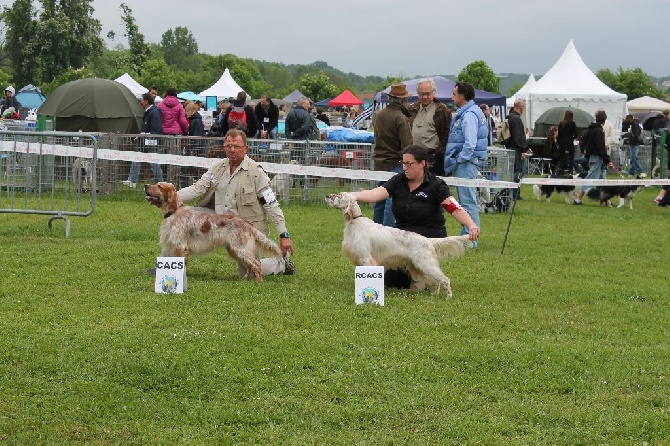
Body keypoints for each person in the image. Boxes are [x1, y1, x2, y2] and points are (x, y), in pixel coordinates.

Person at [350, 145, 479, 289]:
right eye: (403, 163)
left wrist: (471, 225)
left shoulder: (436, 185)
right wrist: (351, 196)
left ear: (422, 164)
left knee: (418, 269)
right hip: (401, 236)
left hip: (428, 233)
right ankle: (417, 272)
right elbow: (375, 194)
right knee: (392, 282)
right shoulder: (398, 180)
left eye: (409, 164)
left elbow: (454, 208)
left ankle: (426, 271)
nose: (405, 168)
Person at [174, 129, 295, 277]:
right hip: (221, 223)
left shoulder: (256, 172)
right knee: (179, 219)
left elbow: (272, 204)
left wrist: (284, 235)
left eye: (237, 146)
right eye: (228, 146)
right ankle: (168, 267)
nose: (232, 150)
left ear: (246, 148)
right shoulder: (217, 168)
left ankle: (281, 263)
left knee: (249, 273)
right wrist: (170, 197)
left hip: (248, 227)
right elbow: (197, 188)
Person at [443, 81, 487, 246]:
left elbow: (470, 143)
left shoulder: (468, 115)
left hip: (466, 163)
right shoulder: (472, 111)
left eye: (454, 94)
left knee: (468, 201)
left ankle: (471, 239)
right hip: (467, 162)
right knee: (466, 200)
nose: (452, 97)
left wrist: (460, 159)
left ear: (462, 96)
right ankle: (467, 235)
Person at [371, 83, 413, 227]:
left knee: (379, 198)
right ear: (403, 100)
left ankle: (376, 229)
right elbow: (407, 146)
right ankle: (388, 231)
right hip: (395, 164)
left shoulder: (378, 115)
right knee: (392, 199)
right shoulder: (401, 118)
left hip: (379, 163)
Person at [408, 78, 452, 175]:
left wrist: (436, 154)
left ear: (434, 93)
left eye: (427, 94)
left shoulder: (442, 111)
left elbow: (447, 135)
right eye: (421, 94)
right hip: (413, 157)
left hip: (432, 159)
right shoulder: (412, 109)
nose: (424, 97)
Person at [122, 92, 164, 188]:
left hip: (151, 142)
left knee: (154, 163)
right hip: (144, 141)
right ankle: (132, 180)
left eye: (142, 100)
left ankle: (160, 183)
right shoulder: (150, 111)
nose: (141, 102)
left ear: (146, 101)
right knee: (136, 158)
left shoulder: (154, 112)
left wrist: (145, 135)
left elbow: (156, 130)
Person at [574, 110, 614, 205]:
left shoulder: (590, 129)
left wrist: (585, 151)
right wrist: (608, 160)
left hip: (592, 157)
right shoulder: (599, 131)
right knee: (590, 179)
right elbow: (601, 148)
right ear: (604, 121)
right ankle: (578, 199)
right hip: (597, 158)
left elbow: (582, 141)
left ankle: (607, 201)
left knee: (601, 179)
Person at [506, 98, 531, 199]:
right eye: (524, 106)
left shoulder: (510, 117)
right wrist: (523, 149)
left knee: (515, 171)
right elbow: (518, 136)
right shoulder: (516, 119)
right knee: (519, 171)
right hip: (517, 149)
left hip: (512, 147)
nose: (524, 108)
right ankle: (515, 194)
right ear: (520, 107)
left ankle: (515, 193)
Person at [557, 110, 578, 174]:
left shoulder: (561, 123)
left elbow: (559, 134)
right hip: (569, 142)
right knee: (571, 157)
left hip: (562, 142)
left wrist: (558, 142)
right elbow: (576, 133)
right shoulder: (573, 123)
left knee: (562, 157)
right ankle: (570, 170)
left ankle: (561, 170)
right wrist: (573, 138)